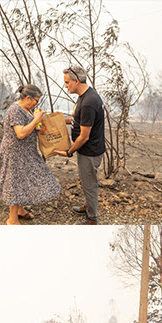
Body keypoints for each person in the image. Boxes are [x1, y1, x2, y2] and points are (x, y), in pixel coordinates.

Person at [0, 83, 61, 225]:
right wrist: (36, 120)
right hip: (15, 153)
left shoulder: (27, 110)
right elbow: (21, 133)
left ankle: (20, 210)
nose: (36, 103)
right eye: (36, 100)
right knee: (14, 185)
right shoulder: (15, 110)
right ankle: (12, 220)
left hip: (26, 153)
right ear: (28, 98)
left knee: (23, 182)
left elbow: (30, 128)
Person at [54, 66, 105, 225]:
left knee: (89, 184)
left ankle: (92, 218)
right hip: (86, 150)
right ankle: (89, 206)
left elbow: (84, 136)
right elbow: (77, 119)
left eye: (67, 82)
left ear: (76, 81)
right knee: (86, 181)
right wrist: (56, 120)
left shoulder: (89, 102)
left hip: (90, 151)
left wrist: (69, 152)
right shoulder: (84, 96)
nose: (66, 86)